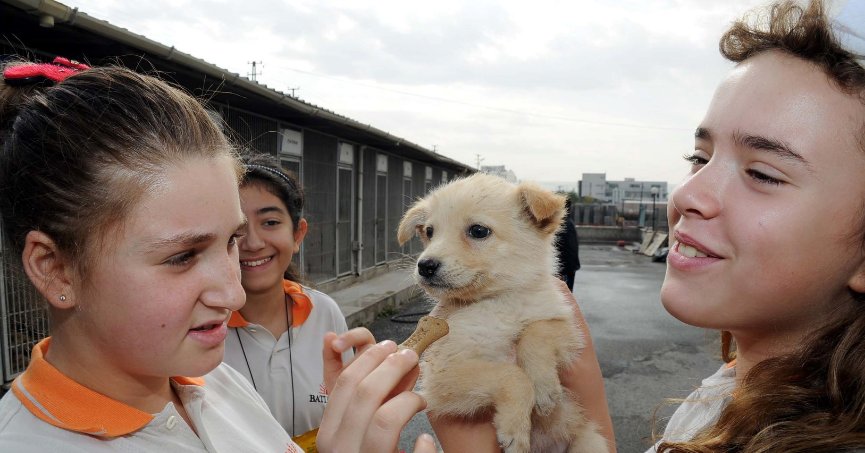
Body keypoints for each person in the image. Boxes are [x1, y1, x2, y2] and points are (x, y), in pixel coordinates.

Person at [431, 1, 865, 452]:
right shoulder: (732, 390)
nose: (686, 194)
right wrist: (590, 430)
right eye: (699, 158)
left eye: (763, 174)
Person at [0, 58, 435, 453]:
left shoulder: (214, 381)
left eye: (230, 239)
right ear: (55, 270)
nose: (234, 294)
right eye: (183, 256)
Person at [223, 152, 351, 448]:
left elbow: (346, 409)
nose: (253, 243)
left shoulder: (325, 313)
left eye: (270, 222)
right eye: (236, 228)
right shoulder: (199, 327)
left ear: (297, 234)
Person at [555, 198, 581, 291]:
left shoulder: (563, 224)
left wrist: (561, 270)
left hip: (565, 269)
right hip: (569, 267)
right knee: (566, 295)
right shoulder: (568, 222)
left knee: (564, 297)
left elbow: (566, 249)